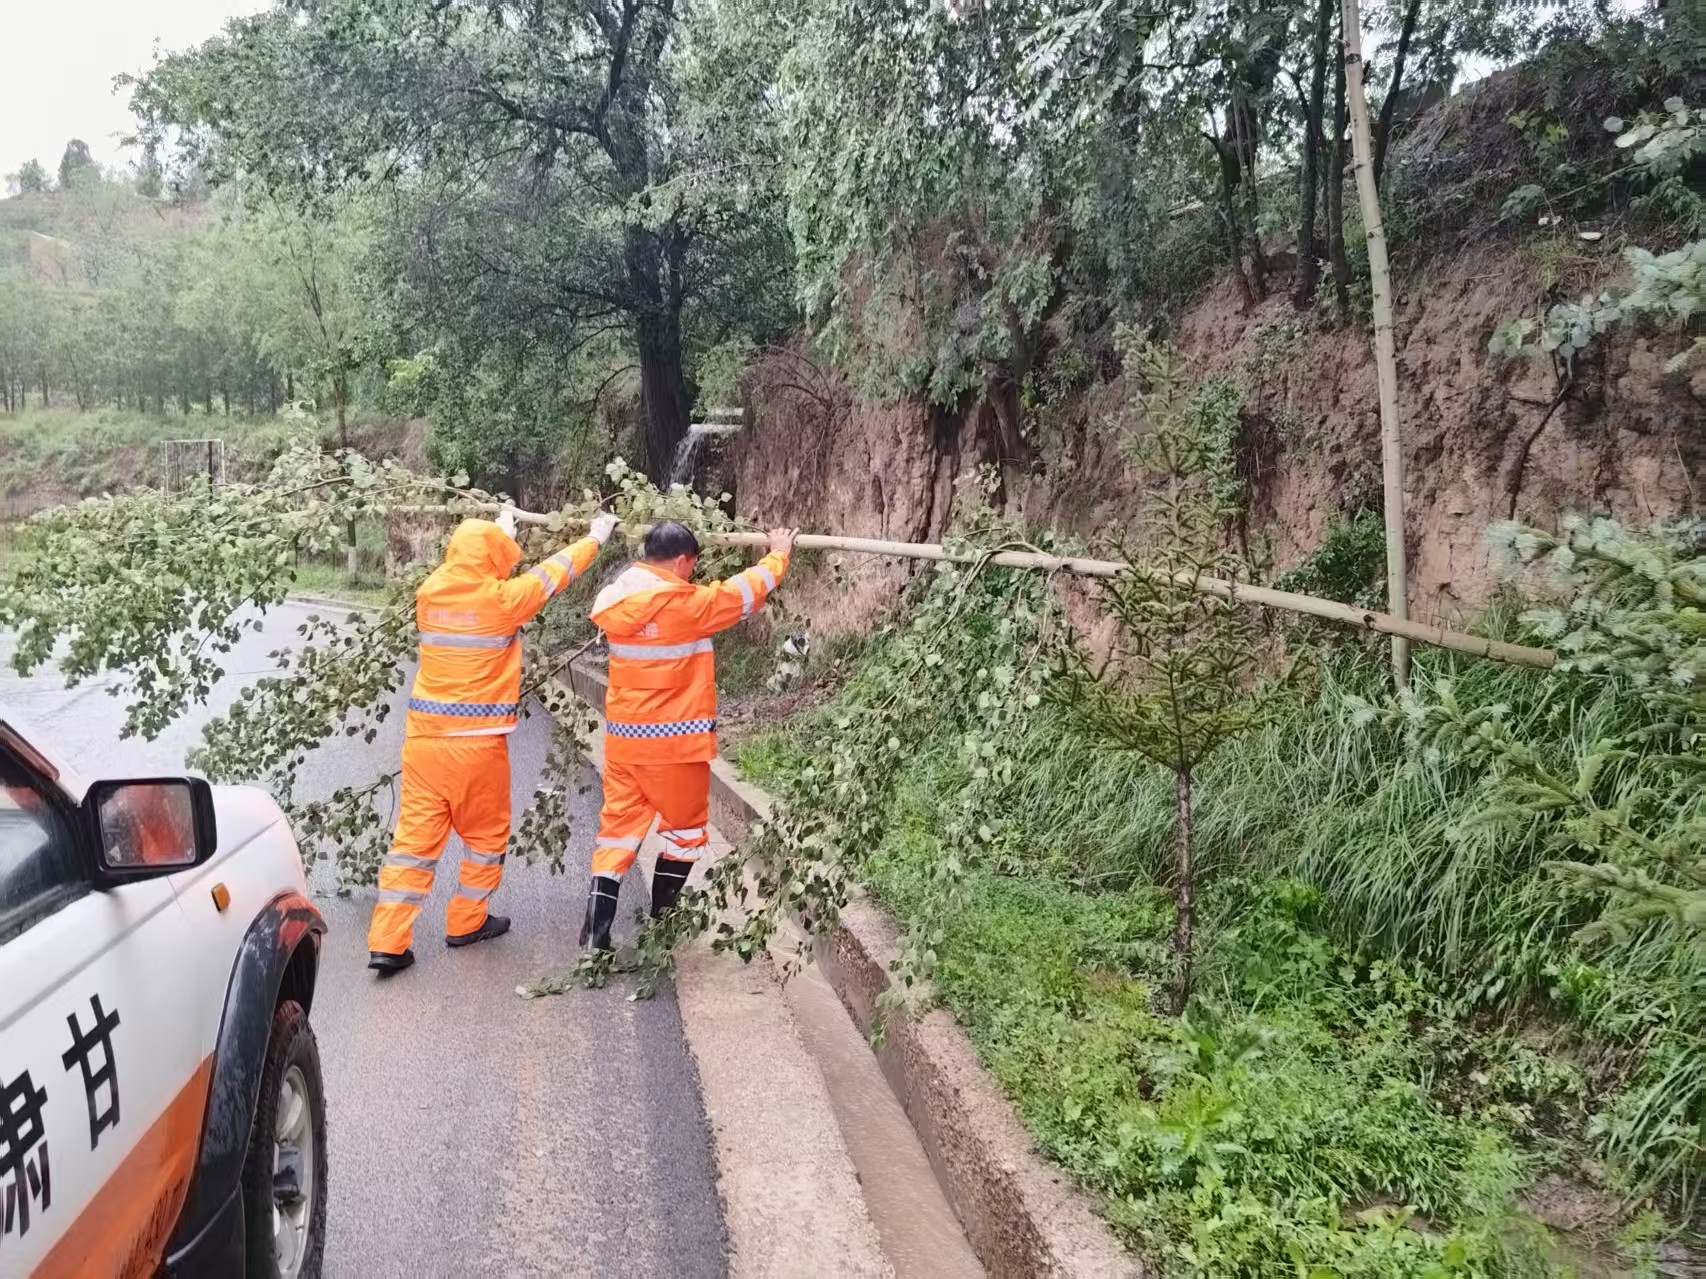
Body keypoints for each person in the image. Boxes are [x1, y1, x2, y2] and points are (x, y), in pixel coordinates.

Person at [367, 507, 620, 974]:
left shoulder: (430, 593)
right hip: (475, 744)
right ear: (494, 558)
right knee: (485, 836)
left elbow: (469, 570)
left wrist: (498, 536)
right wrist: (595, 537)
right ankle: (467, 920)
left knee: (413, 843)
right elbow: (554, 573)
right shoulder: (503, 601)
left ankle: (387, 942)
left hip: (423, 741)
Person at [580, 521, 797, 952]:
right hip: (674, 748)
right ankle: (662, 922)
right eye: (692, 565)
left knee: (617, 835)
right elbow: (745, 590)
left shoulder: (616, 599)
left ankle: (594, 936)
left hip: (624, 744)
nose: (692, 573)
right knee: (684, 832)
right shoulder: (689, 605)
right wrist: (779, 553)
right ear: (681, 560)